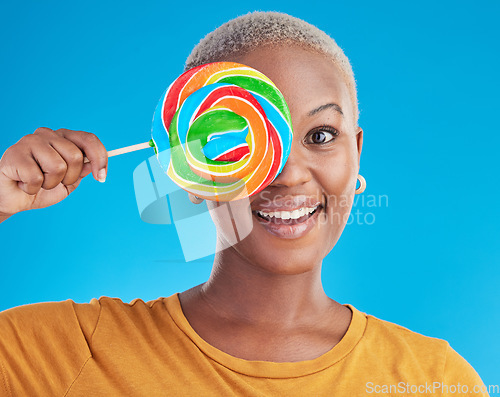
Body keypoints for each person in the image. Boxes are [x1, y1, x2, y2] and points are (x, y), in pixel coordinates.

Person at [0, 11, 489, 397]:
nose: (289, 172)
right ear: (187, 168)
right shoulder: (59, 354)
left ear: (355, 152)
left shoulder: (434, 378)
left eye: (321, 135)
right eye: (240, 138)